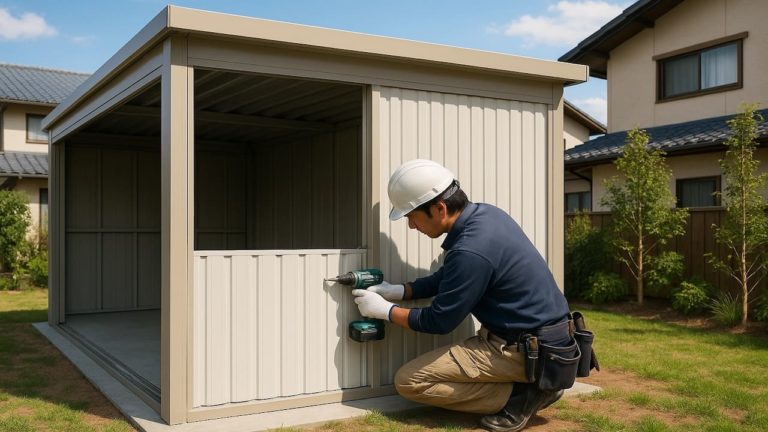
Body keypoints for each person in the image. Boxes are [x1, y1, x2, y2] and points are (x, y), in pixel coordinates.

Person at [352, 159, 575, 432]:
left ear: (440, 208)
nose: (412, 226)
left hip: (524, 350)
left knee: (410, 381)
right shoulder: (487, 216)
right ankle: (537, 383)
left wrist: (384, 311)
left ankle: (527, 394)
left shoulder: (470, 249)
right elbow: (450, 276)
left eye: (412, 216)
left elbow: (440, 321)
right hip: (547, 339)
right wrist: (400, 291)